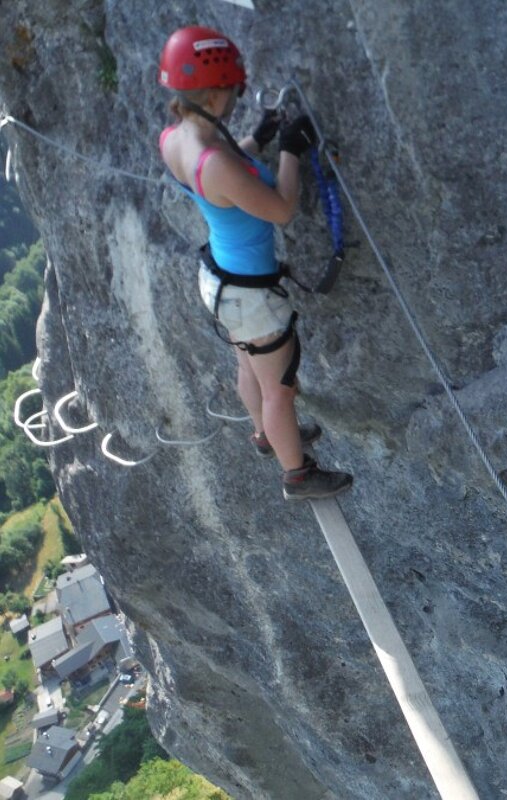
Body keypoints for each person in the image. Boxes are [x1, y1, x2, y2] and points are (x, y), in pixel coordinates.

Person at [157, 25, 352, 500]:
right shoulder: (214, 159)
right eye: (235, 90)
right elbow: (281, 207)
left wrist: (259, 139)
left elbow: (220, 173)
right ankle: (297, 475)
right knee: (278, 389)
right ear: (216, 91)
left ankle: (267, 435)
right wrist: (289, 151)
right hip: (250, 296)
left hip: (222, 283)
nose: (238, 98)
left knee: (248, 367)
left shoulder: (176, 138)